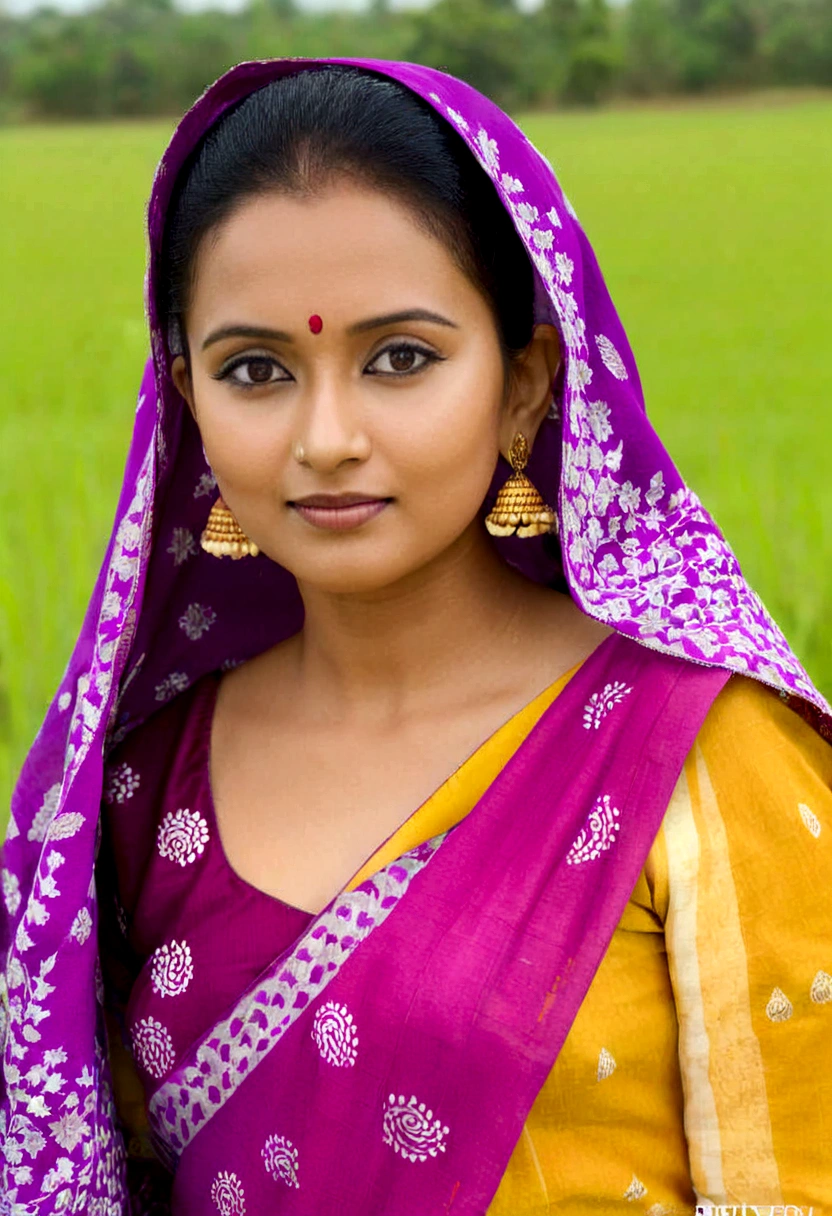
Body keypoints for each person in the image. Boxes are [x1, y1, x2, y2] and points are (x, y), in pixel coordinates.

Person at [1, 58, 830, 1216]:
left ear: (527, 385)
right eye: (255, 369)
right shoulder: (141, 788)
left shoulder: (693, 755)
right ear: (186, 398)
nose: (327, 435)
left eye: (401, 358)